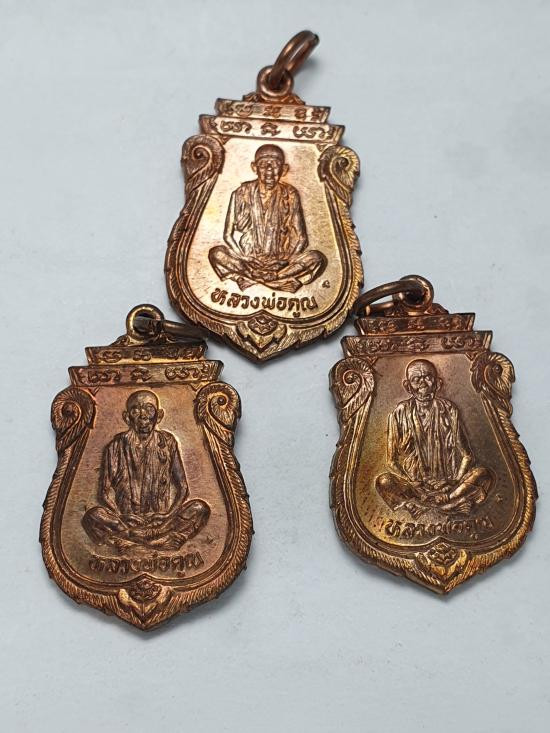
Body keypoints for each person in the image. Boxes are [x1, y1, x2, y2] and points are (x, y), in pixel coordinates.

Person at [82, 390, 210, 551]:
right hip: (127, 522)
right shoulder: (115, 447)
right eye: (136, 410)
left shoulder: (168, 442)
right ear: (126, 417)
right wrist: (121, 516)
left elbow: (183, 487)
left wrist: (168, 515)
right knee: (92, 516)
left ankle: (134, 541)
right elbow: (104, 492)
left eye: (149, 409)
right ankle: (155, 541)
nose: (143, 416)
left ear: (159, 416)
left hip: (162, 522)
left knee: (200, 509)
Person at [375, 359, 494, 518]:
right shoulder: (399, 412)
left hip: (449, 486)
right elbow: (391, 462)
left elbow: (467, 455)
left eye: (428, 377)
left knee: (483, 473)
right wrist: (413, 483)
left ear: (437, 383)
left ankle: (442, 502)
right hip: (415, 488)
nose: (423, 384)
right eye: (416, 379)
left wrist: (453, 481)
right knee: (384, 481)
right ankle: (450, 505)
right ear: (408, 386)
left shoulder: (449, 409)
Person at [209, 144, 327, 292]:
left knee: (316, 258)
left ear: (284, 169)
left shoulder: (290, 194)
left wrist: (286, 260)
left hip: (280, 263)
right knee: (217, 253)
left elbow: (302, 238)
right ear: (254, 168)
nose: (269, 171)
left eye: (275, 165)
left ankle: (258, 279)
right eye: (263, 165)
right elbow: (227, 235)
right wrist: (244, 258)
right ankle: (275, 281)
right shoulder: (240, 193)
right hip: (248, 262)